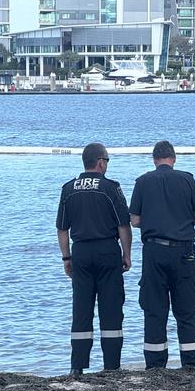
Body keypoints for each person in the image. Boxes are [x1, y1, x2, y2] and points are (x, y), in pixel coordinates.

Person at [129, 140, 195, 369]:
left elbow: (134, 220)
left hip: (154, 250)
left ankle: (155, 365)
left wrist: (154, 219)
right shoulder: (186, 179)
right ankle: (191, 363)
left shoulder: (142, 182)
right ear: (173, 158)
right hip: (183, 252)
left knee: (154, 308)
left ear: (154, 160)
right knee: (186, 307)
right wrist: (182, 218)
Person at [56, 143, 131, 377]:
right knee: (111, 308)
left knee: (81, 309)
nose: (107, 164)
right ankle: (111, 366)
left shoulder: (68, 189)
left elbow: (61, 228)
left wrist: (66, 257)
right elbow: (123, 225)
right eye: (107, 160)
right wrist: (126, 254)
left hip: (80, 252)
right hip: (106, 250)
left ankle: (77, 366)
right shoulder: (110, 188)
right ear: (100, 162)